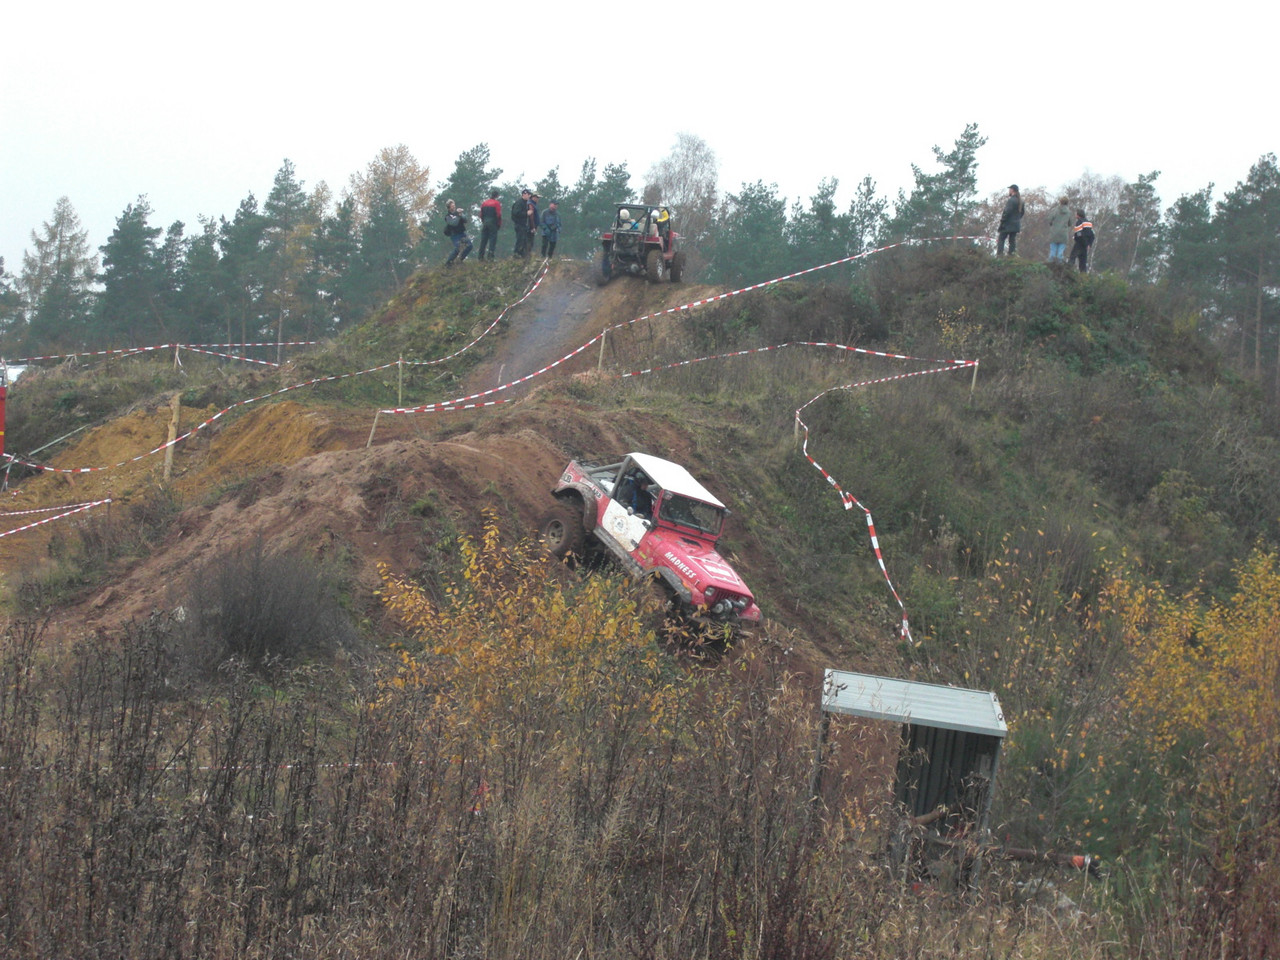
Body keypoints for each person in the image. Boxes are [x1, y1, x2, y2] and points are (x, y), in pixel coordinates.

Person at [442, 199, 472, 266]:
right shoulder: (448, 216)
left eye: (454, 205)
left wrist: (461, 215)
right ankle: (448, 263)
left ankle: (460, 260)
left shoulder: (458, 213)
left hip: (462, 233)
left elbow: (465, 220)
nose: (454, 207)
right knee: (458, 248)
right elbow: (454, 223)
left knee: (469, 246)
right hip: (455, 235)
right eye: (452, 206)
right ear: (449, 207)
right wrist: (458, 215)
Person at [997, 184, 1024, 256]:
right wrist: (1017, 219)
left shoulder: (1011, 200)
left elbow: (1006, 212)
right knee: (1012, 241)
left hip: (1007, 224)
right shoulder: (1021, 201)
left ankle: (1000, 256)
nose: (1009, 191)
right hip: (1016, 225)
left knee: (1001, 239)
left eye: (1009, 189)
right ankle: (1011, 255)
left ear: (1012, 190)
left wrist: (1002, 221)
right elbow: (1022, 213)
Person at [478, 189, 502, 261]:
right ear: (497, 196)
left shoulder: (484, 203)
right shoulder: (496, 203)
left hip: (485, 222)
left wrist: (483, 221)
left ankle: (480, 256)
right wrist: (499, 224)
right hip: (493, 223)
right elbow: (498, 214)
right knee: (492, 240)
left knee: (483, 240)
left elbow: (481, 215)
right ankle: (490, 257)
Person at [1047, 196, 1072, 263]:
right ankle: (1060, 266)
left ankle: (1050, 265)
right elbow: (1070, 223)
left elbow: (1049, 220)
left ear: (1060, 202)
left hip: (1054, 233)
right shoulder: (1069, 212)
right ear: (1067, 203)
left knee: (1052, 252)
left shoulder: (1055, 210)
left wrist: (1053, 224)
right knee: (1060, 253)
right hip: (1063, 234)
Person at [512, 188, 531, 257]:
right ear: (524, 194)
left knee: (524, 240)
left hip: (523, 224)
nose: (529, 196)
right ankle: (516, 253)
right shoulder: (519, 203)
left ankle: (522, 254)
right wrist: (526, 213)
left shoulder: (526, 203)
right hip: (519, 224)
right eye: (528, 194)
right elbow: (516, 213)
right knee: (520, 239)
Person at [526, 193, 541, 258]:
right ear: (533, 197)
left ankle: (527, 255)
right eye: (537, 197)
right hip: (530, 227)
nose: (538, 199)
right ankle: (527, 255)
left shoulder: (533, 204)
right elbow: (531, 217)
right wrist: (533, 227)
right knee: (529, 241)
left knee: (530, 241)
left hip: (532, 226)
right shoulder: (531, 204)